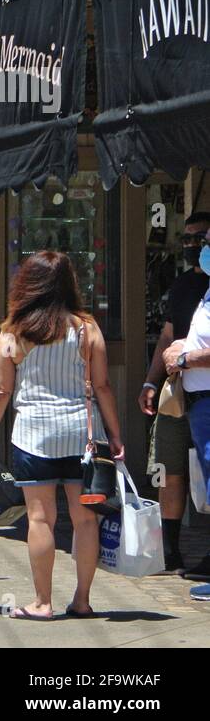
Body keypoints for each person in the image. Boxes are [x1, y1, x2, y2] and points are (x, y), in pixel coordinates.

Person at [0, 251, 125, 619]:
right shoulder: (85, 328)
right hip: (83, 437)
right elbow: (104, 385)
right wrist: (116, 434)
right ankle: (82, 599)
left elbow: (1, 389)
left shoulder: (14, 332)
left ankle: (42, 602)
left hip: (33, 436)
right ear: (69, 284)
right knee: (85, 520)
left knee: (40, 519)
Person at [139, 211, 210, 578]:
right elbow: (167, 336)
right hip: (179, 391)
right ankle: (170, 549)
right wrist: (151, 381)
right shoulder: (183, 286)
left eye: (200, 238)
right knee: (169, 467)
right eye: (188, 239)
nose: (194, 246)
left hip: (206, 390)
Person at [162, 225, 210, 597]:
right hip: (195, 401)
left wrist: (185, 356)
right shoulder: (201, 290)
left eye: (206, 242)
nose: (200, 248)